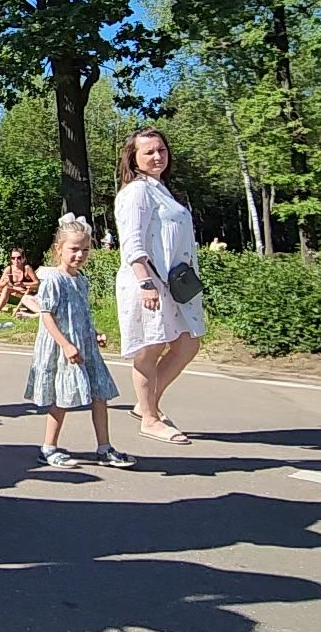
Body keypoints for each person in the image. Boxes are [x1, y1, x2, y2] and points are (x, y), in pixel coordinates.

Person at [115, 127, 206, 446]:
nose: (157, 156)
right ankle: (150, 420)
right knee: (150, 347)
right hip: (147, 282)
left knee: (187, 344)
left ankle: (145, 404)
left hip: (173, 283)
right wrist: (146, 283)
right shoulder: (136, 192)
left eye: (161, 150)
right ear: (134, 158)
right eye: (149, 152)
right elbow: (132, 243)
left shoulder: (162, 190)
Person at [27, 215, 134, 469]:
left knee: (99, 394)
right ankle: (48, 447)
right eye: (74, 249)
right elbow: (47, 316)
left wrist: (94, 333)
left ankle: (104, 447)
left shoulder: (81, 279)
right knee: (62, 397)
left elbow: (81, 313)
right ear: (59, 249)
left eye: (85, 249)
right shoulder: (54, 280)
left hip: (85, 346)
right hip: (64, 348)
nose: (80, 255)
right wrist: (65, 344)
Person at [0, 248, 38, 317]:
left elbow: (37, 283)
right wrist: (5, 282)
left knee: (6, 288)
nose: (16, 260)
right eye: (13, 258)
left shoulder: (27, 268)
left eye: (19, 258)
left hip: (23, 296)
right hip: (11, 294)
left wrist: (23, 284)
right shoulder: (8, 269)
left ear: (23, 258)